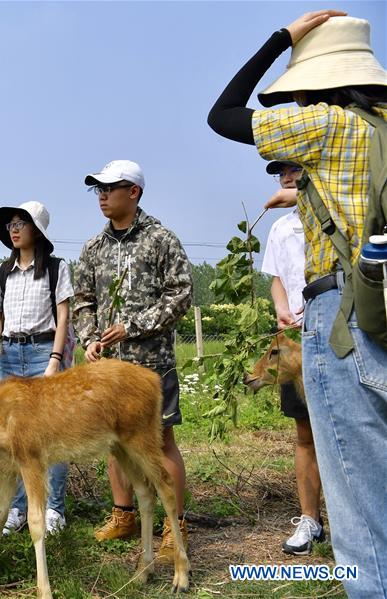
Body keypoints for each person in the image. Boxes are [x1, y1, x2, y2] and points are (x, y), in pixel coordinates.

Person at [208, 11, 387, 596]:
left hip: (345, 318)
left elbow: (223, 114)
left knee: (360, 509)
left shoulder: (327, 126)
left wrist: (280, 38)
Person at [71, 160, 192, 562]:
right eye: (98, 189)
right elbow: (83, 302)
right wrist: (89, 339)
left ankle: (174, 526)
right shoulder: (93, 248)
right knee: (113, 441)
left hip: (151, 363)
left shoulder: (160, 240)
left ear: (134, 192)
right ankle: (123, 515)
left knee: (160, 441)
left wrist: (133, 325)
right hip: (108, 368)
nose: (102, 195)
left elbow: (180, 295)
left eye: (110, 188)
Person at [0, 201, 74, 535]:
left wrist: (54, 358)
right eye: (11, 224)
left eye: (22, 222)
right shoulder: (3, 272)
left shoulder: (55, 268)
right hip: (10, 353)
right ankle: (20, 508)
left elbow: (63, 315)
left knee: (52, 432)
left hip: (42, 352)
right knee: (15, 437)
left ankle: (53, 509)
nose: (15, 228)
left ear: (38, 230)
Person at [260, 160, 326, 556]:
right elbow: (277, 279)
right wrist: (281, 310)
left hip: (335, 331)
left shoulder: (334, 211)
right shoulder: (280, 227)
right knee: (304, 434)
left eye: (294, 166)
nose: (286, 174)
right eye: (280, 170)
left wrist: (303, 197)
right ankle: (310, 520)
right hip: (297, 339)